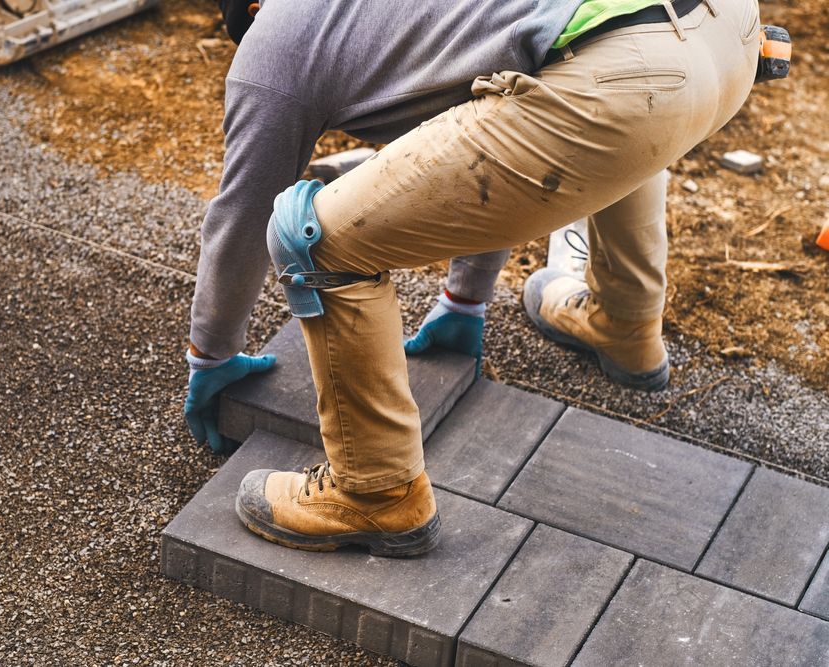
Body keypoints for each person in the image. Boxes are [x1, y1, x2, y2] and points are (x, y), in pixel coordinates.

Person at [187, 0, 761, 555]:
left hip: (631, 74)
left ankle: (374, 493)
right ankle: (625, 328)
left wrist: (211, 356)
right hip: (726, 34)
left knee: (316, 239)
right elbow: (495, 111)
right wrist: (465, 301)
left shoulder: (273, 41)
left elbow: (245, 214)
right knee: (632, 120)